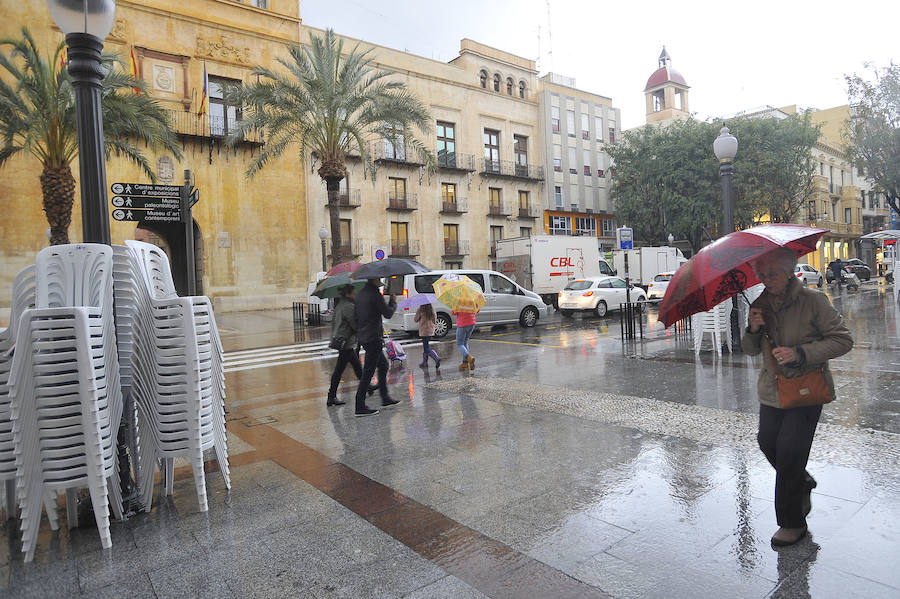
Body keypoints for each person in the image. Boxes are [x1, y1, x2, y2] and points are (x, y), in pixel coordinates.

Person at [742, 247, 853, 547]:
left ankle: (792, 523)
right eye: (762, 274)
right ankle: (802, 481)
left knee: (790, 453)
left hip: (806, 389)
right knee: (768, 443)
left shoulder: (813, 301)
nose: (766, 280)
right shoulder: (760, 304)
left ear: (789, 271)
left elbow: (843, 340)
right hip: (771, 390)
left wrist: (801, 353)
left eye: (772, 274)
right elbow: (750, 350)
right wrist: (752, 329)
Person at [353, 278, 400, 416]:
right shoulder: (374, 294)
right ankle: (359, 405)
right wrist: (393, 301)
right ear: (373, 279)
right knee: (368, 372)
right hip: (373, 337)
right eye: (378, 279)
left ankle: (385, 397)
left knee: (384, 365)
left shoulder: (360, 294)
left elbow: (355, 317)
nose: (379, 281)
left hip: (365, 337)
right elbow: (388, 313)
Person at [325, 285, 374, 406]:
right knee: (339, 370)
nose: (355, 295)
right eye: (354, 293)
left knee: (356, 366)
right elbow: (355, 325)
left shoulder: (340, 305)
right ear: (348, 294)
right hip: (346, 342)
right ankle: (331, 396)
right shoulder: (348, 306)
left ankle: (367, 387)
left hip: (344, 341)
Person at [414, 303, 441, 368]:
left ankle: (436, 358)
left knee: (426, 347)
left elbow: (415, 319)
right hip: (430, 330)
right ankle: (425, 362)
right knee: (426, 346)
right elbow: (435, 319)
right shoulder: (432, 309)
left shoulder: (420, 309)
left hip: (424, 331)